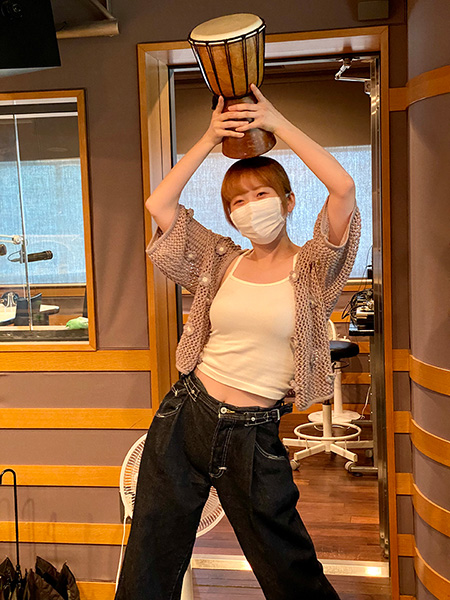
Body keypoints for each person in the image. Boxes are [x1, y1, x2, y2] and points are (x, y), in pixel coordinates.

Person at [115, 83, 361, 600]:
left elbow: (342, 188)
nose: (250, 207)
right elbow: (159, 202)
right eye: (238, 202)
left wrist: (275, 122)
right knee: (149, 560)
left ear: (288, 201)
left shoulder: (313, 268)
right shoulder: (220, 258)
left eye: (262, 194)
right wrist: (210, 137)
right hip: (187, 414)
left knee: (289, 567)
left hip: (252, 432)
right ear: (230, 215)